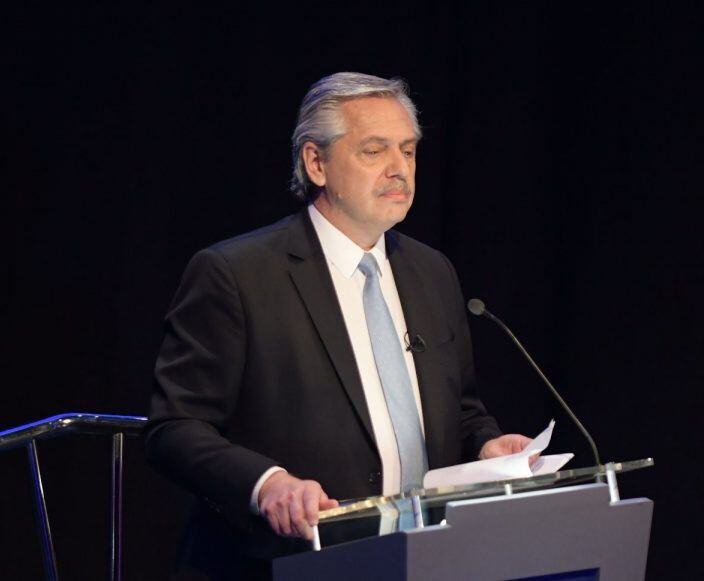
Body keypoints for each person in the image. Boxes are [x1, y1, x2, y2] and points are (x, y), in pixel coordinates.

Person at [146, 72, 531, 580]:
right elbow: (175, 428)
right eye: (375, 151)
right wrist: (268, 483)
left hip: (422, 562)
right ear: (316, 162)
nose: (400, 170)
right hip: (287, 563)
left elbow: (460, 409)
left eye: (409, 151)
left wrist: (486, 445)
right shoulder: (238, 275)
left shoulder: (432, 272)